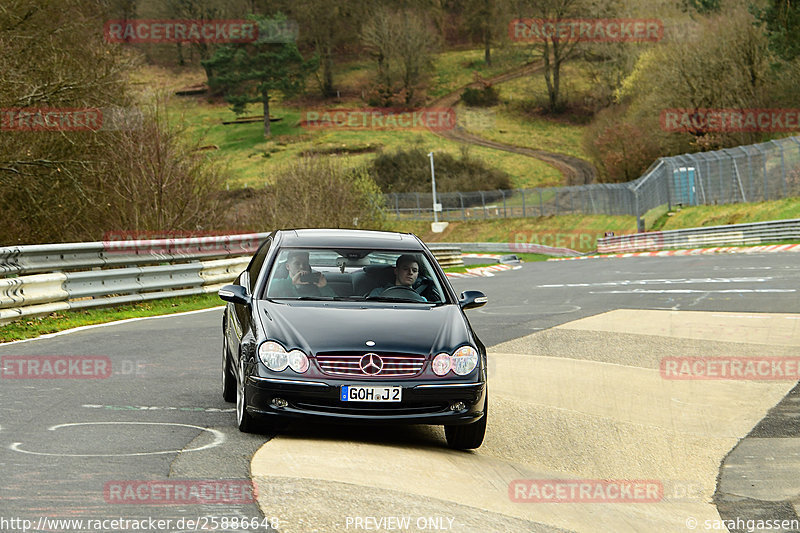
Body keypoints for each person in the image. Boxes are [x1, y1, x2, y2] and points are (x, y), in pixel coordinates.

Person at [269, 250, 335, 298]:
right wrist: (291, 282)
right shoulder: (279, 284)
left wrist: (324, 287)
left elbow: (335, 303)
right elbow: (266, 290)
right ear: (287, 266)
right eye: (297, 264)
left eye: (305, 263)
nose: (302, 267)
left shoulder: (316, 285)